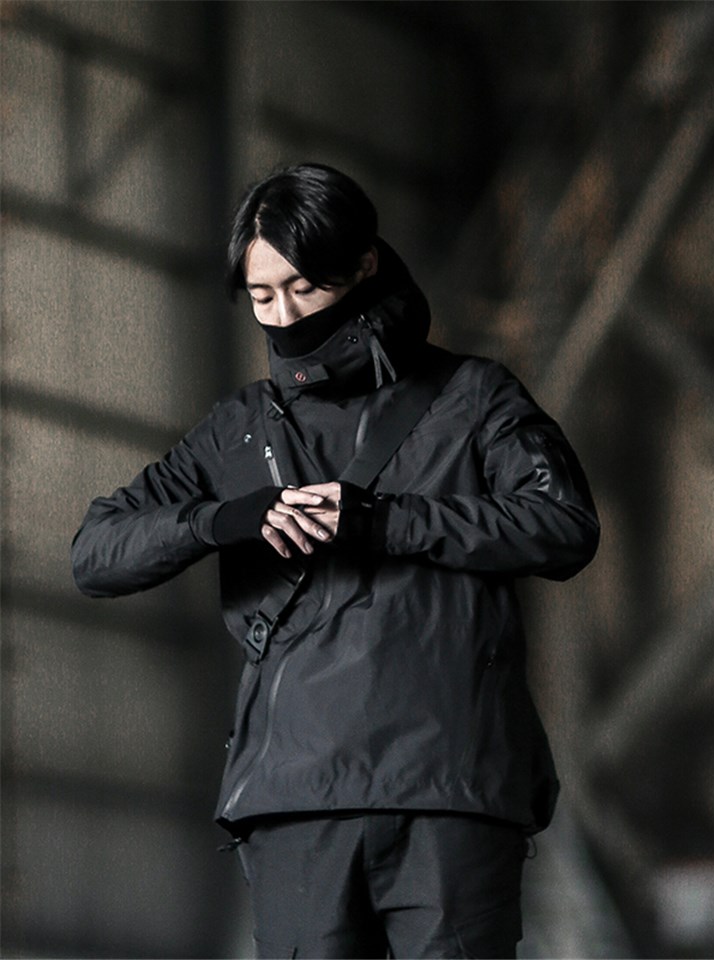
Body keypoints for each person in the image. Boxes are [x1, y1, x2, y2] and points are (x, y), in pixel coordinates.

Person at [72, 162, 600, 959]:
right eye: (262, 296)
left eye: (304, 288)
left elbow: (563, 524)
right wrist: (222, 519)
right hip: (296, 797)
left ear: (364, 266)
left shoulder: (474, 397)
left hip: (449, 787)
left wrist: (385, 522)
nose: (284, 316)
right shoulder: (238, 429)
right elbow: (95, 552)